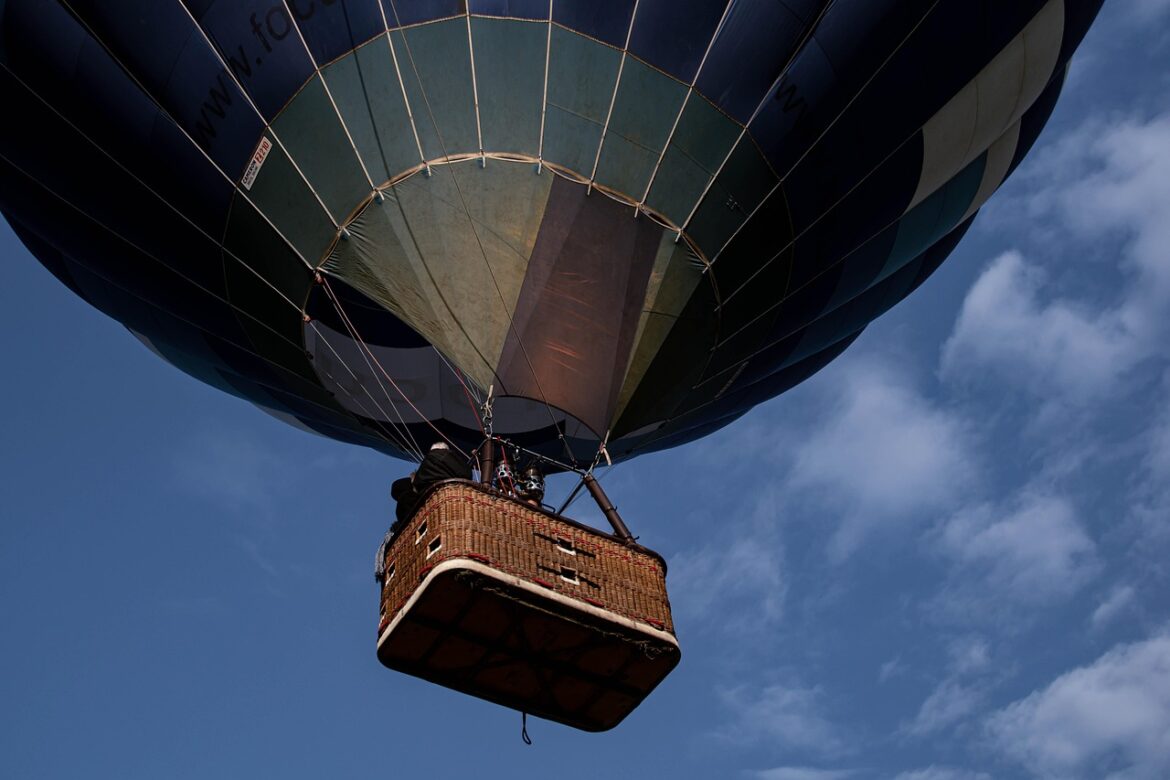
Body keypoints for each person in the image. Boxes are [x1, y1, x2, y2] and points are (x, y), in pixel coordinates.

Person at [376, 442, 471, 582]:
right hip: (459, 547)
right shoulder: (464, 490)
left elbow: (399, 488)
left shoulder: (411, 502)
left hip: (431, 558)